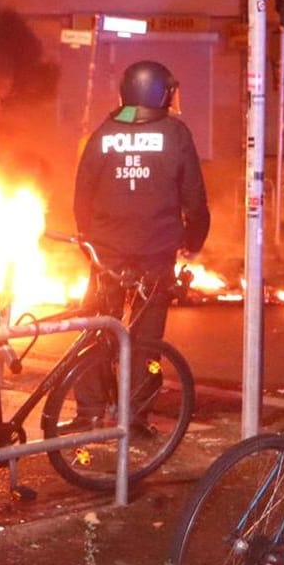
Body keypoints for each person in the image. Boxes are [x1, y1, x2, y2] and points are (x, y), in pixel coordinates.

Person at [68, 60, 209, 427]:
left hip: (107, 254)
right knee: (147, 339)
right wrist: (193, 240)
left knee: (97, 328)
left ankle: (88, 411)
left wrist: (89, 241)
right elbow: (194, 196)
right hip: (156, 253)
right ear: (162, 93)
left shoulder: (103, 134)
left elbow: (82, 194)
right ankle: (136, 415)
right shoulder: (176, 134)